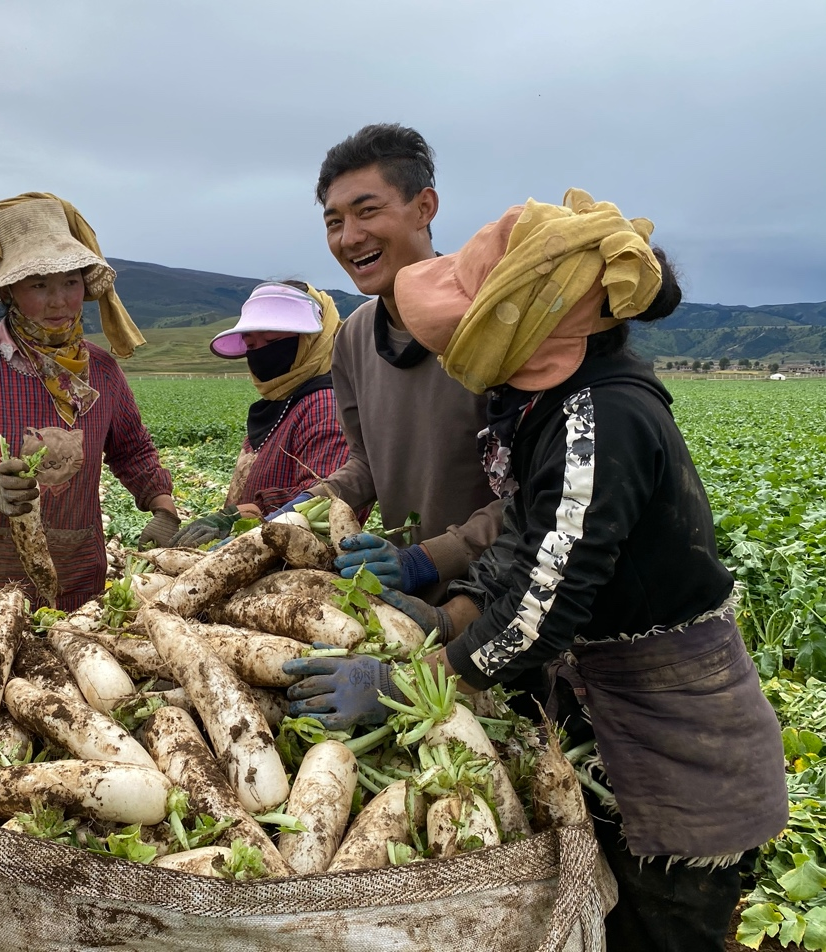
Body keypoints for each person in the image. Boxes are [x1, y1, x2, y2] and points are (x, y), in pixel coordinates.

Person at [284, 189, 788, 951]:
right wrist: (445, 605)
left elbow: (544, 608)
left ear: (533, 332)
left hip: (677, 747)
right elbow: (525, 541)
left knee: (664, 930)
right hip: (604, 718)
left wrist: (405, 684)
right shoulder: (547, 408)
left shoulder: (598, 419)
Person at [0, 193, 180, 657]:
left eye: (70, 281)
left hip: (72, 585)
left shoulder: (101, 371)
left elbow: (133, 451)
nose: (59, 301)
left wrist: (163, 508)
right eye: (39, 285)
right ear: (8, 293)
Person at [272, 124, 500, 604]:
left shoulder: (491, 320)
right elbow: (368, 465)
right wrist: (299, 513)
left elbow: (544, 499)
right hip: (410, 604)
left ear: (424, 208)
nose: (350, 238)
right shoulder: (354, 337)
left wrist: (431, 557)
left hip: (503, 601)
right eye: (334, 223)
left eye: (368, 212)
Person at [168, 281, 352, 547]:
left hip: (296, 565)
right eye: (251, 345)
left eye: (272, 341)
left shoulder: (324, 403)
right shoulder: (281, 402)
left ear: (311, 342)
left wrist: (237, 516)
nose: (261, 353)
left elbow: (325, 500)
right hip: (256, 552)